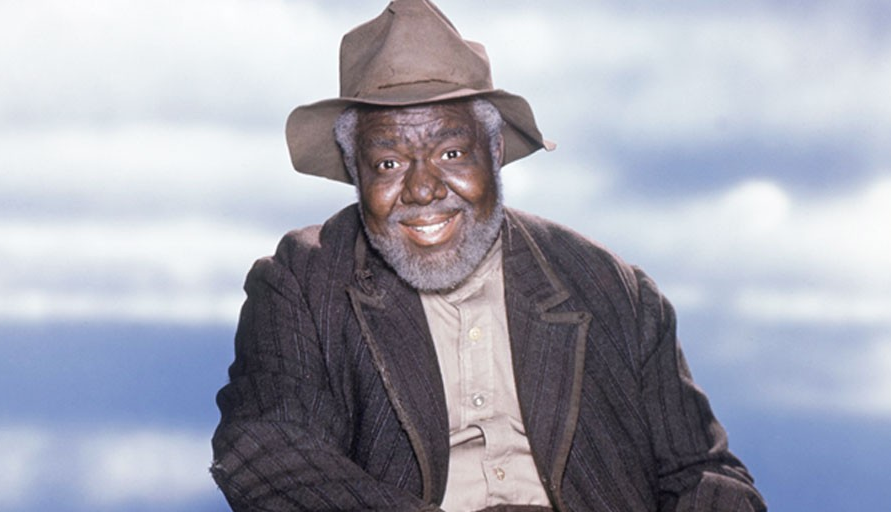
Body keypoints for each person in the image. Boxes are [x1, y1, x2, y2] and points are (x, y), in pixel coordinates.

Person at [211, 1, 766, 510]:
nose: (423, 189)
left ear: (495, 152)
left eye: (451, 153)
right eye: (387, 164)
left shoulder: (613, 290)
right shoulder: (303, 282)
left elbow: (705, 474)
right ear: (355, 171)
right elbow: (266, 454)